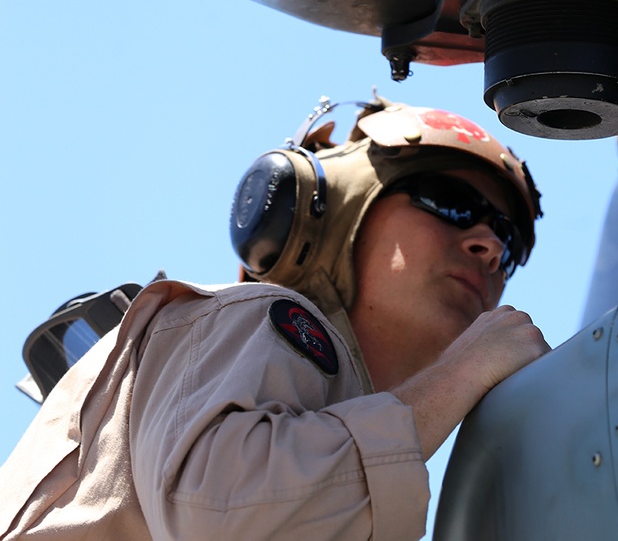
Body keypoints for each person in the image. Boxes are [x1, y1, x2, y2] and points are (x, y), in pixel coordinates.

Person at [0, 96, 550, 539]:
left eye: (509, 238)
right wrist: (458, 376)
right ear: (324, 213)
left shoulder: (360, 489)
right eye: (450, 203)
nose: (488, 245)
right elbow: (234, 519)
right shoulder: (254, 315)